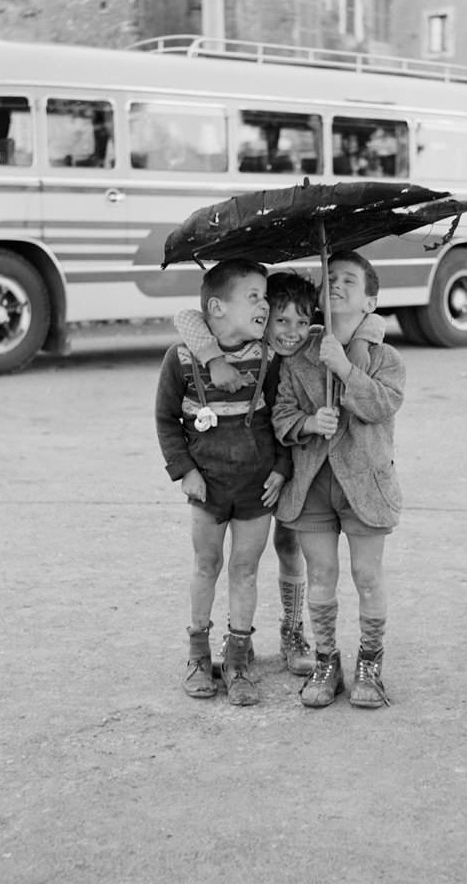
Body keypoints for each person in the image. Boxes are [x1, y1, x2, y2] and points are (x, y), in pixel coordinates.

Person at [174, 270, 387, 678]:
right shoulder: (250, 345)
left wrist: (361, 339)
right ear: (264, 314)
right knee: (237, 560)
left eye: (300, 322)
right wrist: (214, 359)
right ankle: (238, 639)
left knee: (290, 548)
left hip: (295, 467)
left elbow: (372, 318)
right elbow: (187, 316)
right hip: (250, 469)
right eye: (279, 320)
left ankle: (293, 633)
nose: (290, 332)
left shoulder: (313, 342)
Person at [272, 251, 405, 710]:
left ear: (370, 303)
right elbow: (281, 413)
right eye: (330, 277)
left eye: (349, 280)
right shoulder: (299, 357)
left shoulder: (385, 357)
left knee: (366, 574)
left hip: (365, 485)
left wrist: (345, 368)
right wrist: (309, 424)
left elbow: (383, 405)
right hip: (312, 484)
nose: (336, 284)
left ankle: (371, 663)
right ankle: (327, 659)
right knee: (322, 574)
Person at [155, 259, 291, 707]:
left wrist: (282, 468)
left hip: (256, 487)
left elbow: (282, 416)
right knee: (205, 565)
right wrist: (185, 471)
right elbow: (166, 420)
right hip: (206, 488)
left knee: (246, 569)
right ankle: (198, 654)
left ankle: (237, 659)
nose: (264, 305)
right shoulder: (180, 359)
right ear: (217, 308)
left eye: (265, 296)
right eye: (253, 296)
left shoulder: (268, 358)